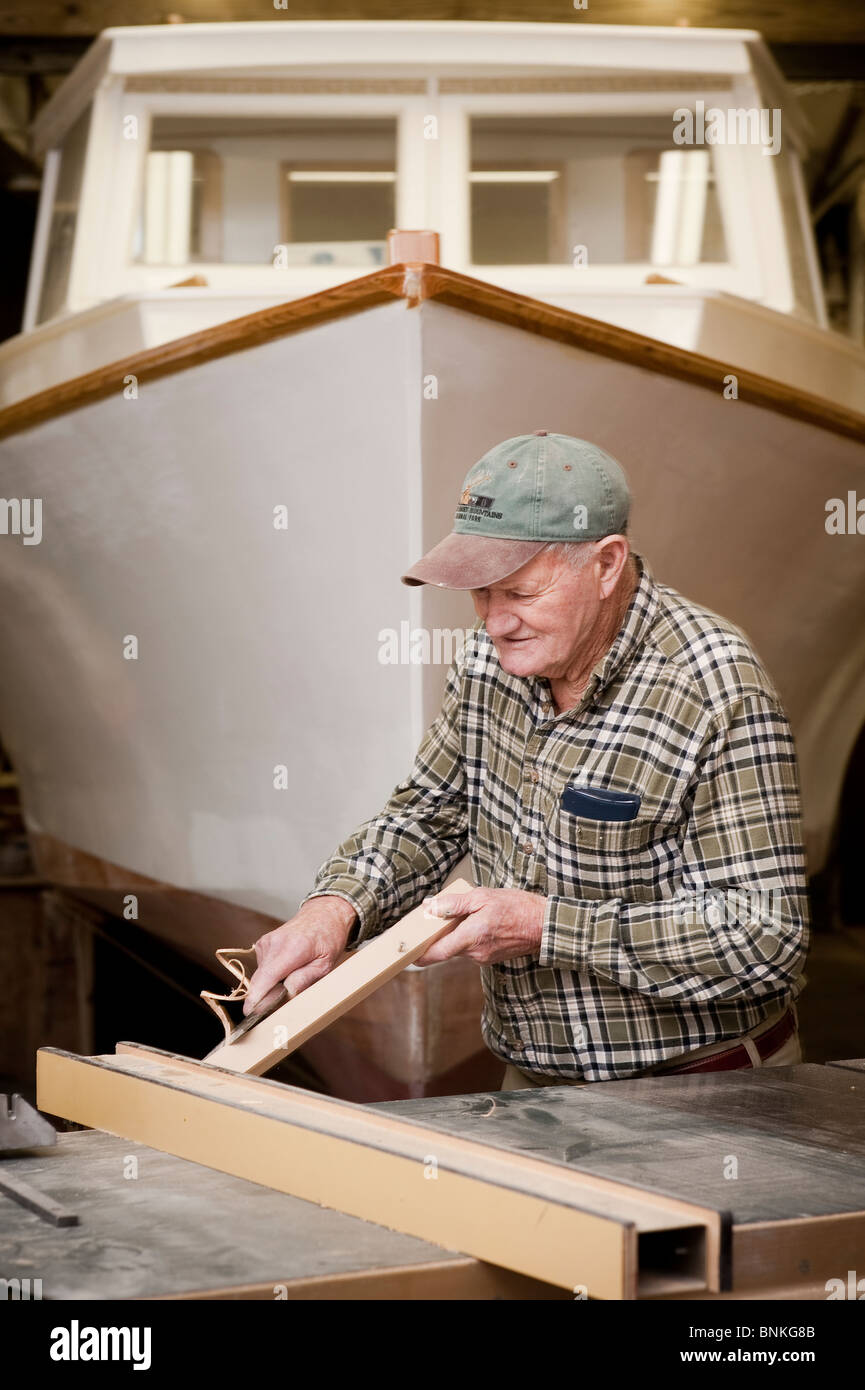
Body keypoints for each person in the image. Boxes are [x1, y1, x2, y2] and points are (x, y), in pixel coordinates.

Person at [244, 431, 809, 1087]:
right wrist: (333, 909)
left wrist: (545, 926)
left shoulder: (715, 688)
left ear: (605, 564)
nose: (493, 623)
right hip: (531, 1080)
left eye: (519, 593)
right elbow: (428, 814)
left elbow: (764, 942)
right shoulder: (491, 660)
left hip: (702, 1087)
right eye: (480, 593)